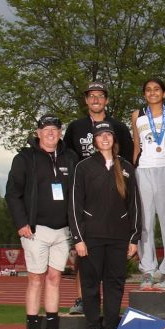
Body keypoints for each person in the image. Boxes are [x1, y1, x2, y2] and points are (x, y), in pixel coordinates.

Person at [5, 114, 78, 329]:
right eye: (45, 129)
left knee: (55, 278)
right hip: (35, 230)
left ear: (60, 132)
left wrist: (76, 229)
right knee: (36, 278)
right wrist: (21, 223)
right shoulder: (24, 158)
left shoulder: (70, 157)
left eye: (54, 129)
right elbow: (12, 193)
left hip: (63, 231)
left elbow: (78, 194)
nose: (50, 133)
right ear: (38, 133)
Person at [62, 81, 134, 314]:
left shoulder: (119, 127)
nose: (95, 100)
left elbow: (130, 156)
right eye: (91, 96)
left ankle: (111, 311)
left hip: (114, 197)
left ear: (107, 100)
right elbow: (67, 156)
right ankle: (82, 299)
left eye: (100, 96)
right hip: (84, 191)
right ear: (85, 100)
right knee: (84, 256)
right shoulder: (76, 127)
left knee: (112, 266)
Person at [69, 121, 140, 329]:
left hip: (119, 238)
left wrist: (134, 238)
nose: (105, 138)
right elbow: (74, 206)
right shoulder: (84, 167)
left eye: (108, 134)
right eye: (100, 135)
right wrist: (78, 238)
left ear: (114, 139)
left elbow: (134, 206)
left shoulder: (127, 167)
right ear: (95, 140)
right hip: (91, 238)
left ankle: (110, 327)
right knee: (90, 285)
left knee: (115, 284)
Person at [131, 78, 165, 291]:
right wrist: (133, 172)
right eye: (148, 90)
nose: (152, 93)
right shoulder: (137, 115)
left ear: (164, 93)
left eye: (157, 89)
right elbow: (136, 146)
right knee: (145, 224)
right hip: (143, 170)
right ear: (144, 94)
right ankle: (148, 272)